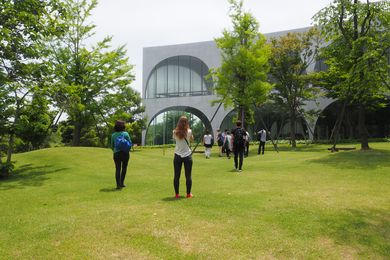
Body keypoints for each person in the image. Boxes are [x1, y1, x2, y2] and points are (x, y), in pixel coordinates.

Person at [172, 116, 194, 198]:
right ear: (186, 122)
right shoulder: (189, 131)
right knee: (188, 176)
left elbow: (175, 139)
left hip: (177, 155)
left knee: (176, 176)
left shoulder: (175, 132)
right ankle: (188, 194)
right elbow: (191, 140)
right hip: (187, 155)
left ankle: (177, 194)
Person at [111, 120, 132, 189]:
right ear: (123, 126)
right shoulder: (126, 134)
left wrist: (115, 150)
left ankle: (118, 185)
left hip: (116, 154)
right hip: (125, 153)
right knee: (124, 168)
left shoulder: (113, 135)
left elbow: (112, 145)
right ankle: (122, 183)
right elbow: (130, 143)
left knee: (117, 168)